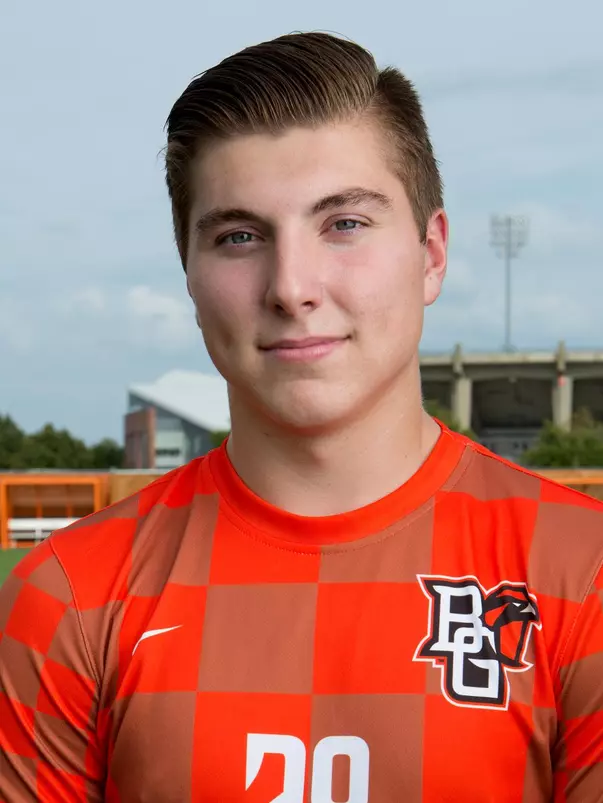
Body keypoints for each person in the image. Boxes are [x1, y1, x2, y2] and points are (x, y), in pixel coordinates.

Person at [1, 31, 602, 803]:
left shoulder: (582, 577)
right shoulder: (71, 598)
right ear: (188, 273)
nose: (291, 285)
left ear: (431, 254)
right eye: (239, 236)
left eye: (343, 222)